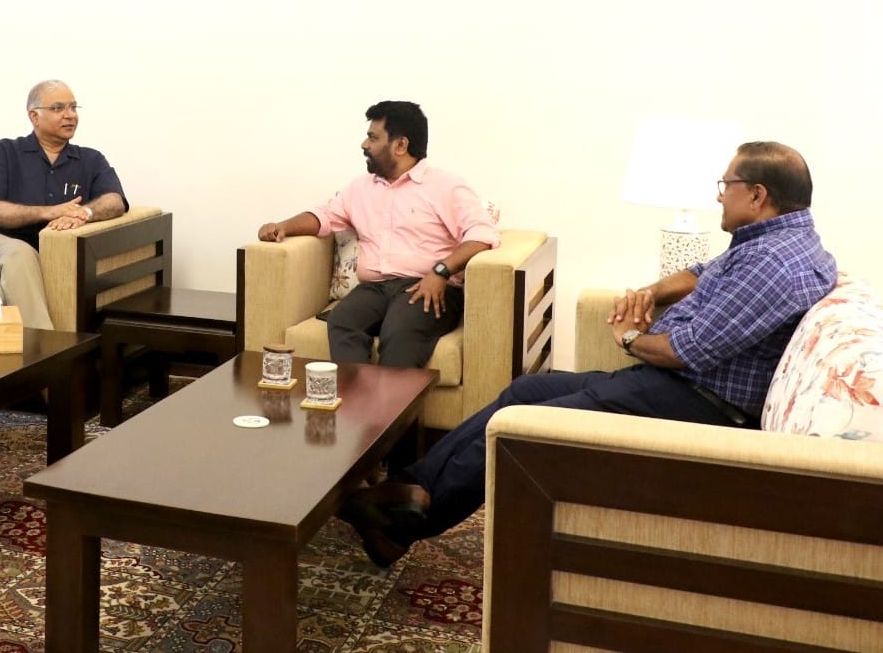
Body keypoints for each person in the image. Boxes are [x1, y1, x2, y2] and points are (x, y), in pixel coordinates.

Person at [341, 141, 837, 568]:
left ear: (757, 194)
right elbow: (701, 273)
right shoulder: (772, 241)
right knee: (525, 390)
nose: (719, 195)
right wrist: (649, 293)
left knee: (521, 426)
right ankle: (408, 490)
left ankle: (404, 519)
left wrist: (628, 337)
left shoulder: (773, 263)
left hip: (698, 402)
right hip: (681, 386)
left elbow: (682, 351)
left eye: (726, 185)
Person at [256, 101, 499, 370]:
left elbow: (482, 234)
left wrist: (440, 271)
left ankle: (395, 400)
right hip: (375, 289)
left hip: (426, 286)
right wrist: (283, 227)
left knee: (400, 330)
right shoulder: (361, 188)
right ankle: (357, 396)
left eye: (373, 137)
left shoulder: (446, 186)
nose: (364, 144)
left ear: (400, 145)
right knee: (342, 319)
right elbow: (324, 216)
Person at [0, 80, 127, 330]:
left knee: (2, 292)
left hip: (36, 264)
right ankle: (50, 347)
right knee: (21, 255)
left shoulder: (90, 159)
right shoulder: (4, 152)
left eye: (73, 107)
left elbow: (115, 201)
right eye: (58, 108)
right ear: (34, 116)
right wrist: (52, 212)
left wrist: (85, 212)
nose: (69, 115)